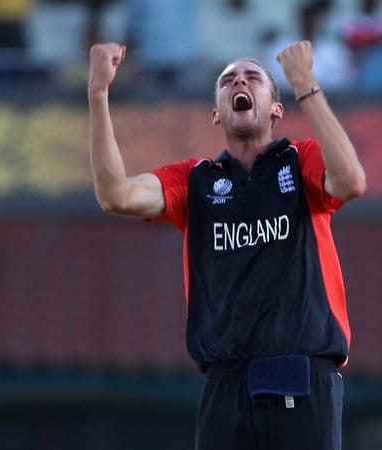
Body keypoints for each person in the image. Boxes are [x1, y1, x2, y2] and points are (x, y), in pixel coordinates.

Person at [87, 39, 366, 450]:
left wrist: (305, 84)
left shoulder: (298, 160)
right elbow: (116, 196)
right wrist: (98, 93)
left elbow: (351, 182)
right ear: (216, 113)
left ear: (276, 109)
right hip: (225, 382)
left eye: (253, 77)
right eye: (227, 80)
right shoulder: (196, 180)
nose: (239, 81)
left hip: (300, 373)